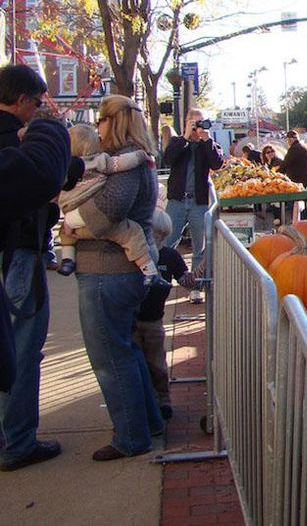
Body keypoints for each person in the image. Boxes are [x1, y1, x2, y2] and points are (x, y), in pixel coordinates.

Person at [74, 95, 164, 461]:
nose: (97, 127)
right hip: (114, 271)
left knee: (111, 356)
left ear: (115, 121)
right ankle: (147, 422)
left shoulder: (125, 165)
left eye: (101, 120)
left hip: (108, 271)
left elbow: (109, 210)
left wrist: (76, 222)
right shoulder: (133, 161)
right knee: (124, 350)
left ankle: (131, 435)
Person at [0, 69, 72, 471]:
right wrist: (50, 132)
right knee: (22, 350)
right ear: (23, 100)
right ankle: (18, 442)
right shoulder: (16, 138)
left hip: (20, 254)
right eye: (38, 103)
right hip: (18, 255)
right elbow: (38, 177)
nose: (39, 110)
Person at [56, 124, 160, 285]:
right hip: (95, 213)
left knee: (65, 232)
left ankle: (68, 259)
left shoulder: (62, 167)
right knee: (131, 233)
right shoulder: (97, 161)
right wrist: (140, 155)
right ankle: (148, 269)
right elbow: (122, 163)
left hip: (71, 212)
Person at [134, 211, 194, 421]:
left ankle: (163, 400)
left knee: (156, 363)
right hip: (132, 318)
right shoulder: (136, 253)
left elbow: (184, 279)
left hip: (153, 320)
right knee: (137, 364)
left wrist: (192, 277)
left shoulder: (170, 256)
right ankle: (145, 402)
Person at [163, 109, 224, 283]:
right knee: (167, 242)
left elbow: (217, 164)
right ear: (187, 123)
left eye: (201, 123)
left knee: (200, 247)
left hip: (199, 202)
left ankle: (196, 286)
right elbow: (168, 159)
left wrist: (207, 139)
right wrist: (185, 137)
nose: (198, 127)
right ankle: (166, 279)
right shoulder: (177, 142)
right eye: (194, 123)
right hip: (177, 201)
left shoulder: (208, 145)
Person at [280, 130, 307, 223]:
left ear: (290, 139)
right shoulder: (304, 147)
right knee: (302, 206)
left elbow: (285, 164)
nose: (288, 142)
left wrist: (277, 173)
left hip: (295, 182)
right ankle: (304, 224)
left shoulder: (294, 149)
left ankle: (297, 225)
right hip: (304, 180)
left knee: (295, 207)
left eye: (288, 140)